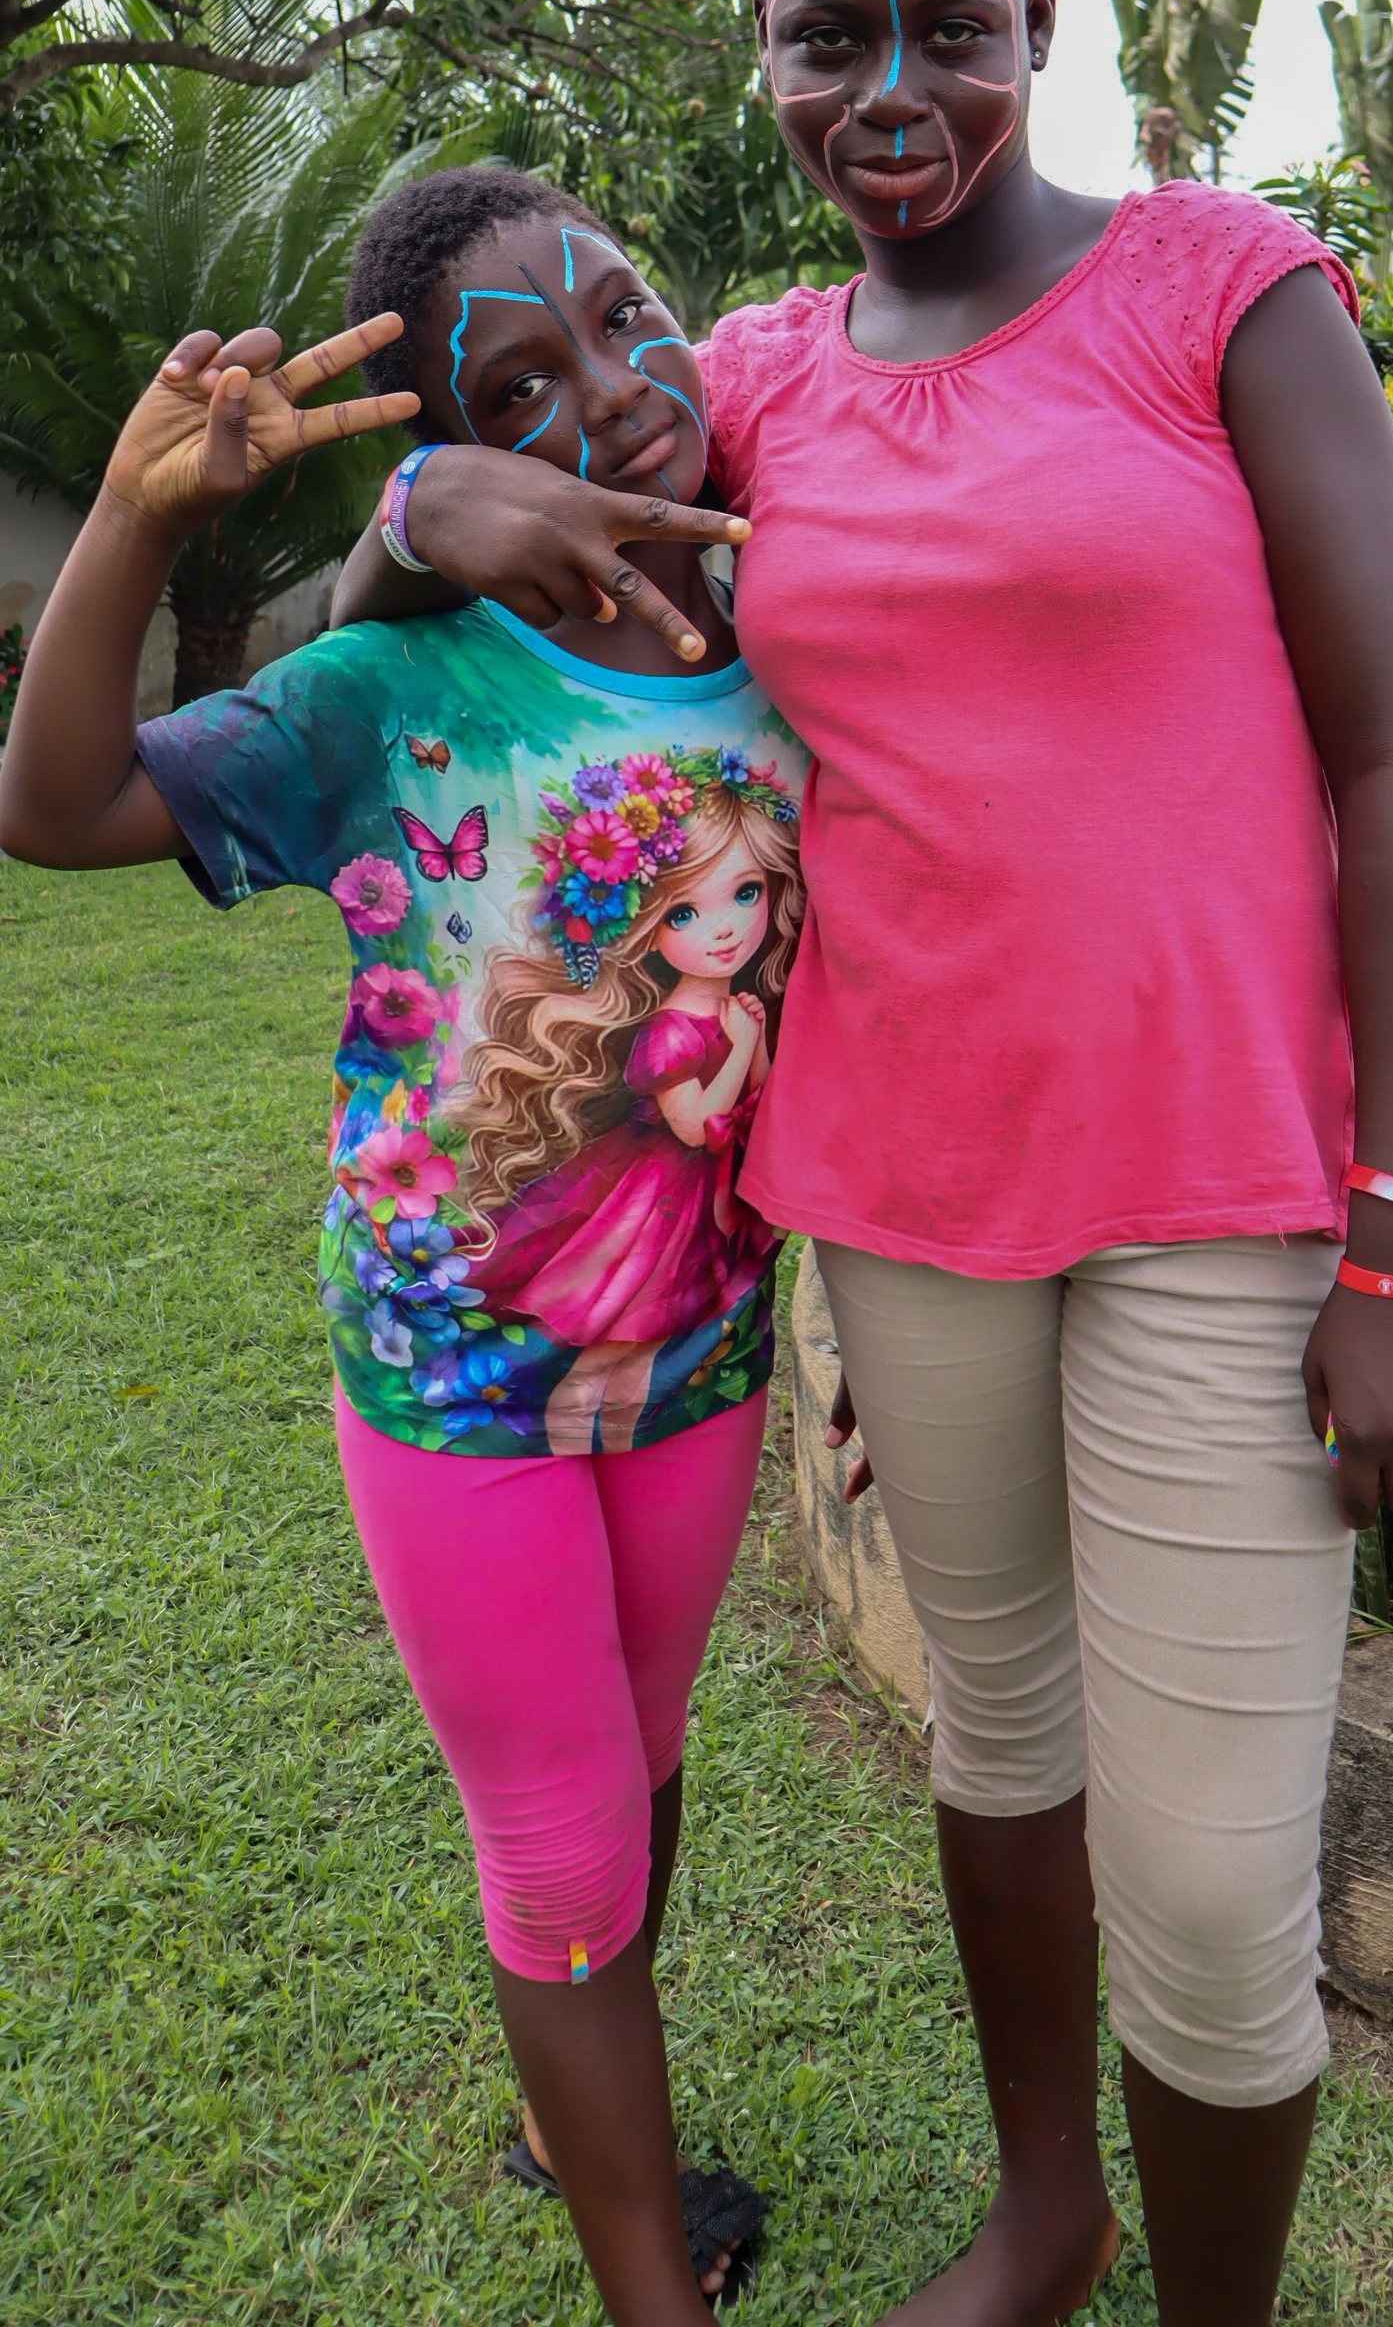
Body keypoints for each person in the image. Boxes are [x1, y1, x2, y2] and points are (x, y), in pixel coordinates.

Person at [328, 0, 1393, 2327]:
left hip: (1222, 1194)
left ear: (1038, 13)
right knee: (1005, 1738)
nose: (887, 97)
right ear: (754, 53)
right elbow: (494, 511)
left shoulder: (1226, 293)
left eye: (944, 29)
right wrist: (411, 513)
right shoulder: (752, 376)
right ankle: (1045, 2212)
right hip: (904, 1205)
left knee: (1207, 1883)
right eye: (818, 43)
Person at [0, 170, 807, 2324]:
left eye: (628, 322)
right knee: (553, 1838)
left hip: (700, 1351)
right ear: (456, 454)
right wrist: (141, 520)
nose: (615, 397)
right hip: (453, 1385)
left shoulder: (793, 633)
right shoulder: (389, 684)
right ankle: (648, 2293)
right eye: (518, 389)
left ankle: (576, 2116)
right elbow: (58, 801)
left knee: (640, 1775)